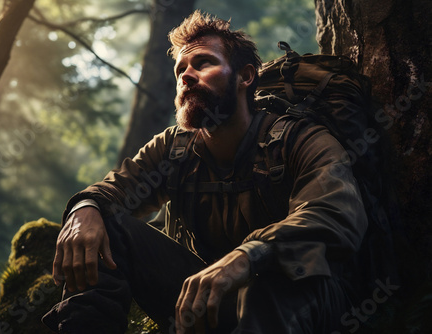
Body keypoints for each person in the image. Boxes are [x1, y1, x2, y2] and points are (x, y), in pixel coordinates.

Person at [42, 10, 368, 334]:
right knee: (105, 225)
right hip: (211, 301)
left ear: (245, 76)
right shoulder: (175, 148)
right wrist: (87, 207)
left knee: (265, 289)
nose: (186, 76)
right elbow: (119, 188)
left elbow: (334, 213)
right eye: (180, 69)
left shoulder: (299, 139)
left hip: (303, 302)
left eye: (203, 63)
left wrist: (250, 255)